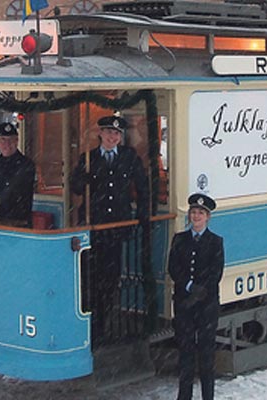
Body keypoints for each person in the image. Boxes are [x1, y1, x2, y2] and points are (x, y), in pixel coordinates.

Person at [70, 112, 149, 342]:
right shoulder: (89, 158)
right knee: (91, 279)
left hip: (117, 228)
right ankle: (93, 326)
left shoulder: (128, 156)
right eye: (108, 132)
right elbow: (75, 187)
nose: (112, 137)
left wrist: (144, 216)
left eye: (116, 133)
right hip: (95, 226)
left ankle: (104, 325)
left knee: (111, 278)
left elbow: (142, 187)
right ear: (100, 134)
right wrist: (82, 179)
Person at [168, 193, 224, 400]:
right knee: (186, 354)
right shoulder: (180, 239)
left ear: (208, 217)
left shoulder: (216, 242)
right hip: (184, 304)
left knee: (206, 356)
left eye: (200, 213)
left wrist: (201, 291)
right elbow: (173, 267)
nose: (196, 216)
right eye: (193, 212)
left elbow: (215, 272)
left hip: (207, 305)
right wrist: (189, 286)